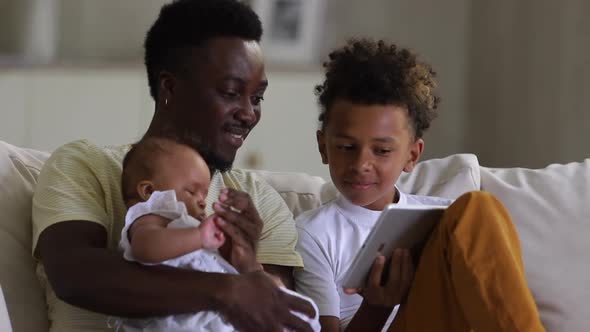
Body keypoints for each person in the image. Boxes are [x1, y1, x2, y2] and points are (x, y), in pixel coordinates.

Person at [31, 0, 315, 331]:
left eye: (257, 98)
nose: (249, 113)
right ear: (170, 88)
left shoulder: (258, 200)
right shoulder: (84, 166)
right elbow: (76, 273)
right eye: (231, 92)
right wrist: (225, 291)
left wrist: (248, 267)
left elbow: (280, 316)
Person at [294, 39, 546, 332]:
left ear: (412, 155)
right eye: (347, 146)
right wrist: (378, 306)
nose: (361, 163)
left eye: (382, 151)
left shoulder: (443, 219)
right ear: (323, 147)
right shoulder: (313, 233)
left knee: (478, 208)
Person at [111, 137, 320, 331]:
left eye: (204, 192)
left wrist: (233, 242)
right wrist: (199, 236)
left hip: (209, 313)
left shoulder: (191, 225)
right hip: (173, 318)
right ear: (149, 192)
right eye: (192, 191)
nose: (203, 201)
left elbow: (221, 265)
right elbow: (144, 247)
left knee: (287, 299)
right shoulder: (149, 215)